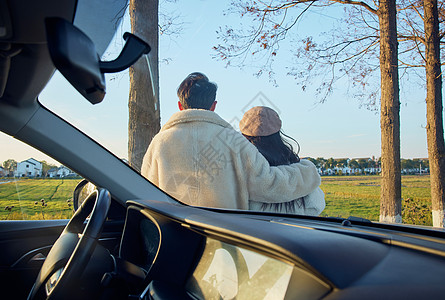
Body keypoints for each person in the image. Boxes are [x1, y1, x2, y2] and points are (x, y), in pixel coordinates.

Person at [141, 72, 322, 209]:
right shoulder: (233, 141)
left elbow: (145, 193)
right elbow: (269, 184)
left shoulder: (159, 143)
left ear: (180, 105)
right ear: (214, 106)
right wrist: (307, 171)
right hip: (222, 241)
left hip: (173, 237)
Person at [239, 106, 325, 216]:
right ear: (278, 131)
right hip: (299, 231)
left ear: (244, 134)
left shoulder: (241, 171)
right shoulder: (304, 172)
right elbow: (317, 205)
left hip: (252, 232)